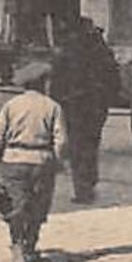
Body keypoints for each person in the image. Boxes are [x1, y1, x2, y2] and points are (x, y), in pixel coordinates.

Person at [0, 63, 69, 262]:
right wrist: (57, 162)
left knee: (16, 206)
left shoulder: (11, 105)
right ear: (43, 84)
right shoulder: (53, 107)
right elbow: (61, 140)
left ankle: (17, 247)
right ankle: (30, 246)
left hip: (14, 161)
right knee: (38, 206)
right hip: (42, 162)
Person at [51, 19, 120, 205]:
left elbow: (57, 80)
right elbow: (114, 78)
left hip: (75, 105)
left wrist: (57, 101)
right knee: (91, 144)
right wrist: (106, 97)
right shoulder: (102, 50)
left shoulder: (69, 51)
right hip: (97, 106)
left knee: (77, 147)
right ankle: (90, 182)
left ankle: (83, 189)